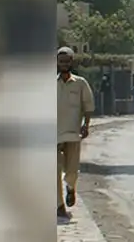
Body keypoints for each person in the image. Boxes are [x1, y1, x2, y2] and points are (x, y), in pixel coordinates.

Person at [56, 46, 94, 219]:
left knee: (72, 170)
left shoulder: (80, 83)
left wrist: (86, 125)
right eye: (61, 61)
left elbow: (88, 105)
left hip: (73, 134)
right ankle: (59, 205)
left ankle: (70, 187)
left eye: (66, 61)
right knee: (53, 170)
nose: (63, 64)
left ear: (71, 62)